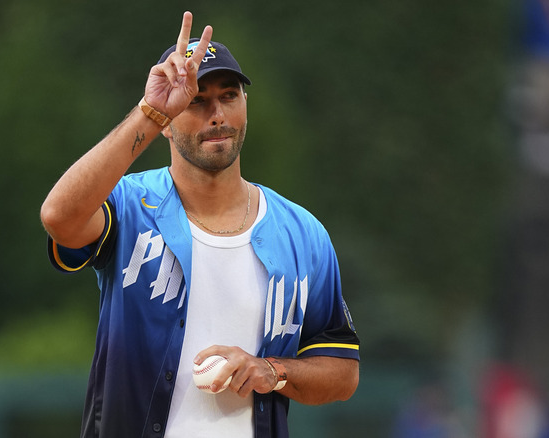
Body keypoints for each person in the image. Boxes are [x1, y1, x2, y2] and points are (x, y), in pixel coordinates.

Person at [40, 11, 360, 438]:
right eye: (195, 100)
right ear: (167, 124)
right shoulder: (130, 206)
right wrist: (150, 112)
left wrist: (271, 370)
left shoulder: (303, 235)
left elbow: (342, 373)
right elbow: (59, 218)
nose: (217, 114)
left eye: (229, 96)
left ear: (246, 104)